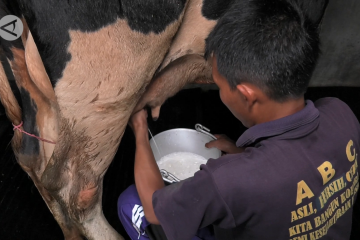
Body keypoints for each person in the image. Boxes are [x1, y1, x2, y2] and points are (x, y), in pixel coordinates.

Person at [118, 0, 360, 239]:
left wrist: (140, 131)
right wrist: (242, 152)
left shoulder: (229, 179)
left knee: (131, 203)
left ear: (246, 95)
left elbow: (154, 210)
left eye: (219, 86)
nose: (221, 94)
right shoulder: (341, 114)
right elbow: (296, 169)